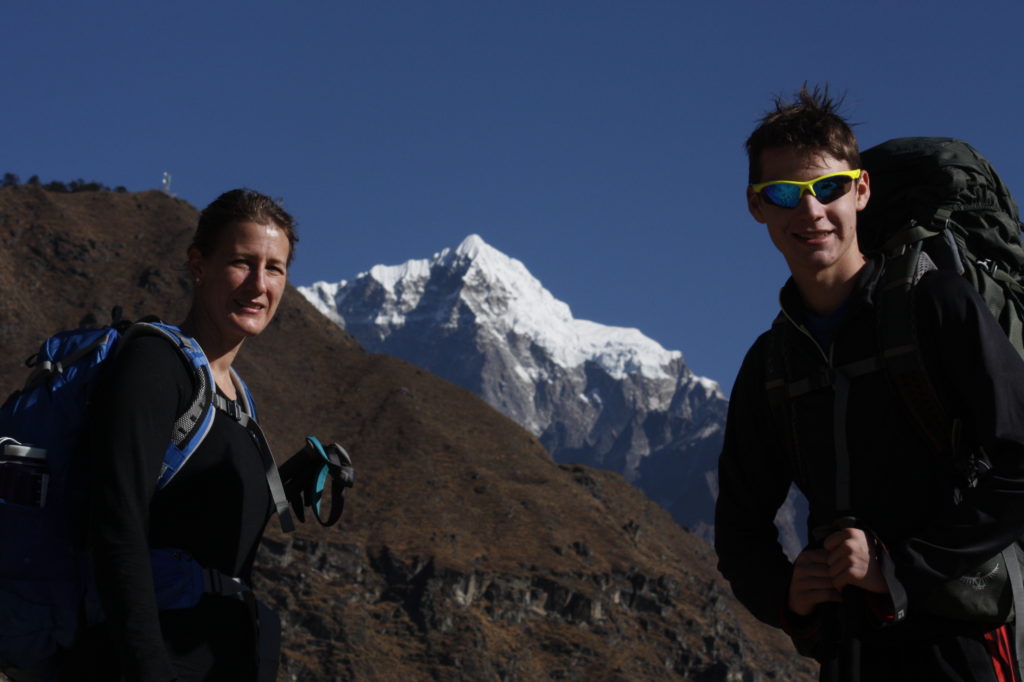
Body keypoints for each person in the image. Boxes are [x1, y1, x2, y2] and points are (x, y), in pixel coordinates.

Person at [714, 85, 1024, 680]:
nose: (809, 213)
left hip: (963, 639)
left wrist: (900, 568)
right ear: (757, 207)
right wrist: (787, 594)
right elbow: (739, 529)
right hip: (849, 647)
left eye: (827, 188)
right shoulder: (771, 363)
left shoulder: (937, 306)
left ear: (860, 190)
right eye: (784, 194)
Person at [84, 189, 297, 681]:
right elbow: (117, 525)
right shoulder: (156, 366)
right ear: (198, 265)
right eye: (242, 263)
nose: (258, 285)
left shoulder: (237, 396)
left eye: (274, 268)